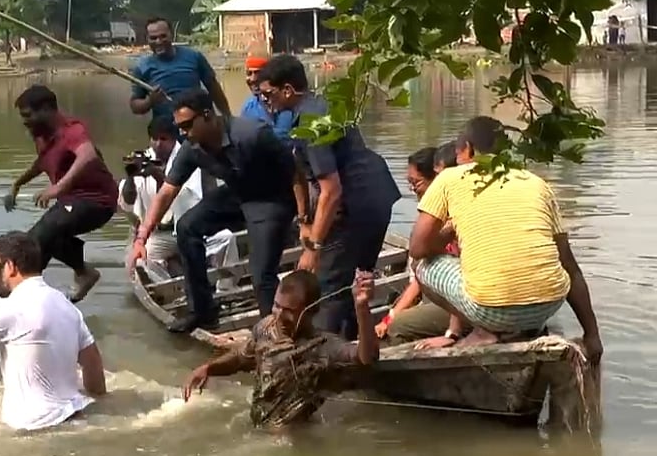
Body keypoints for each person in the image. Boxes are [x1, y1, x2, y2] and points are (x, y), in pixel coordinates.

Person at [408, 116, 603, 363]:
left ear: (468, 149)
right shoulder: (536, 183)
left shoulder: (450, 178)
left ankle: (484, 330)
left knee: (421, 267)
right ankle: (515, 327)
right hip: (549, 304)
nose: (457, 161)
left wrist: (451, 228)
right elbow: (570, 266)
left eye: (458, 154)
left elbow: (417, 248)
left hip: (491, 311)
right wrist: (592, 335)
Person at [127, 93, 298, 333]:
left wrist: (306, 217)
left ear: (207, 115)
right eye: (179, 128)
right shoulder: (192, 148)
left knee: (261, 273)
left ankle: (274, 333)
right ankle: (202, 310)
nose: (183, 133)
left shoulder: (252, 134)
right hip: (237, 194)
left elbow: (296, 173)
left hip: (270, 200)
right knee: (187, 227)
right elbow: (167, 191)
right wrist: (142, 236)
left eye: (187, 125)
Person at [258, 54, 402, 338]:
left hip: (356, 206)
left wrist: (314, 247)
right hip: (377, 197)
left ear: (287, 90)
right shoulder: (322, 104)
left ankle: (324, 356)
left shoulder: (312, 122)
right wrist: (304, 220)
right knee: (359, 279)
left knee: (327, 287)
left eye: (268, 93)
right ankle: (354, 347)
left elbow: (331, 190)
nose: (265, 100)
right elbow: (304, 176)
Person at [0, 232, 107, 432]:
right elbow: (95, 373)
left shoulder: (11, 307)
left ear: (10, 267)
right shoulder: (67, 306)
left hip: (31, 429)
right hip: (74, 418)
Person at [181, 271, 378, 418]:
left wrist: (361, 307)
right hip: (258, 422)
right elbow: (242, 357)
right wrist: (209, 368)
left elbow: (365, 357)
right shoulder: (266, 328)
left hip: (291, 439)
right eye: (276, 306)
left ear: (311, 310)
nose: (279, 316)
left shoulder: (321, 347)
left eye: (289, 311)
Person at [4, 85, 117, 303]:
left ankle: (22, 297)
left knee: (39, 236)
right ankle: (82, 274)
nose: (25, 122)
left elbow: (87, 155)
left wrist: (59, 187)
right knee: (41, 239)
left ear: (47, 110)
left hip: (97, 202)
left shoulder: (72, 130)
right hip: (70, 202)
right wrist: (17, 184)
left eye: (28, 115)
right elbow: (43, 162)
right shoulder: (41, 136)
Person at [118, 116, 240, 287]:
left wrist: (158, 175)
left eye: (163, 139)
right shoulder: (143, 158)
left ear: (173, 138)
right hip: (159, 235)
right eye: (154, 138)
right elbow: (127, 203)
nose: (158, 144)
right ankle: (171, 290)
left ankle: (225, 289)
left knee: (227, 239)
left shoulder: (189, 156)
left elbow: (183, 196)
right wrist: (131, 177)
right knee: (140, 262)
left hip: (189, 229)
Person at [376, 147, 467, 345]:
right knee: (392, 323)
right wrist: (389, 315)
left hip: (462, 305)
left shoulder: (456, 220)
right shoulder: (435, 219)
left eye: (416, 183)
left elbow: (464, 279)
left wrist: (452, 334)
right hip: (444, 300)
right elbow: (418, 278)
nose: (412, 189)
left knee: (398, 327)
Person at [129, 17, 231, 123]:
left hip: (199, 126)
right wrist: (150, 101)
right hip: (167, 130)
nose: (158, 41)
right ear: (147, 39)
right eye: (153, 38)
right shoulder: (142, 67)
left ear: (172, 35)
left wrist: (227, 117)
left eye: (163, 36)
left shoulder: (194, 57)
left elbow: (214, 88)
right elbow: (135, 106)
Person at [239, 55, 295, 140]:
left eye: (258, 73)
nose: (253, 79)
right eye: (249, 73)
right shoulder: (248, 107)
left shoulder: (286, 102)